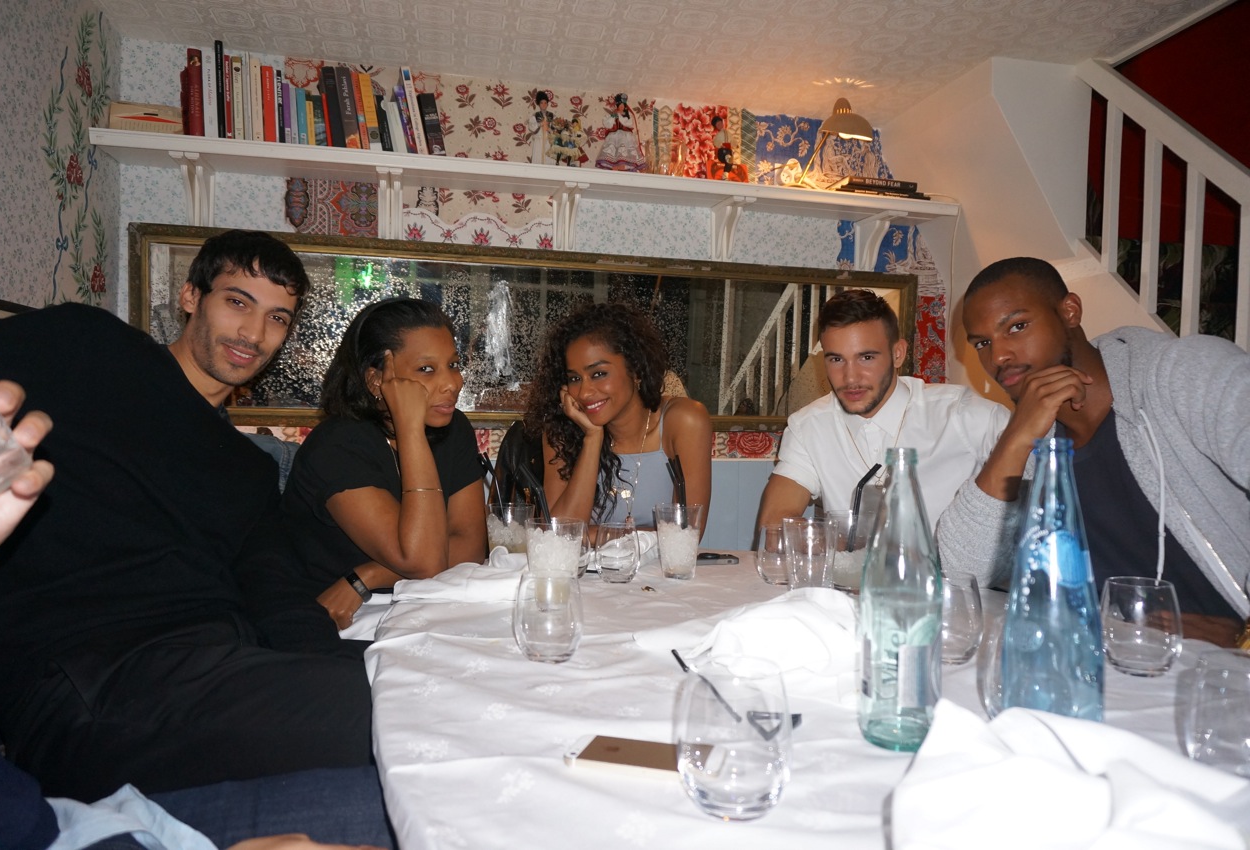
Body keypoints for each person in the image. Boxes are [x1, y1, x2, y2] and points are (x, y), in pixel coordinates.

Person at [0, 230, 377, 807]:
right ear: (190, 296)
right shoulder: (91, 346)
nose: (253, 334)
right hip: (89, 679)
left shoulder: (249, 470)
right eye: (237, 302)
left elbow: (279, 600)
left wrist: (371, 666)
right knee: (402, 713)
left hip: (212, 671)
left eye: (277, 318)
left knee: (428, 689)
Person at [938, 256, 1250, 645]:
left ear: (1070, 311)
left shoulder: (1185, 373)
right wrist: (1016, 437)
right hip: (1108, 660)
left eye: (1017, 326)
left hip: (1227, 666)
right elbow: (963, 572)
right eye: (983, 343)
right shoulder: (1034, 443)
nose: (998, 357)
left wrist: (1244, 635)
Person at [282, 298, 487, 631]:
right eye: (427, 369)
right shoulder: (337, 446)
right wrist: (410, 429)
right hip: (336, 624)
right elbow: (423, 560)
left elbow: (471, 547)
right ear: (377, 380)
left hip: (415, 604)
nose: (453, 382)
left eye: (453, 364)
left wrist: (369, 575)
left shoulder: (453, 430)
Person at [755, 289, 1009, 536]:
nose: (850, 377)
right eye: (836, 359)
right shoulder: (809, 426)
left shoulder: (963, 415)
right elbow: (774, 526)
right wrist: (841, 545)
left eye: (866, 358)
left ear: (898, 354)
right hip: (850, 567)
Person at [524, 302, 712, 533]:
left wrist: (598, 534)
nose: (584, 392)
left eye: (598, 374)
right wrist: (592, 438)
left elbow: (686, 534)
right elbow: (559, 535)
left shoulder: (684, 421)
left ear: (636, 369)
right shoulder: (561, 430)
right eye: (574, 379)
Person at [594, 93, 646, 172]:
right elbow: (607, 124)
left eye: (623, 105)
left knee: (625, 150)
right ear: (617, 105)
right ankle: (615, 166)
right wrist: (613, 116)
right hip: (614, 136)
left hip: (626, 136)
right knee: (614, 150)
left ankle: (624, 166)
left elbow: (629, 123)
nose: (622, 107)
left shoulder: (628, 115)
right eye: (620, 105)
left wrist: (619, 116)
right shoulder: (613, 114)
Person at [526, 90, 556, 165]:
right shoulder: (535, 115)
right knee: (538, 156)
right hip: (538, 140)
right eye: (541, 103)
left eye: (545, 103)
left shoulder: (552, 115)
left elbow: (555, 129)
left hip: (549, 140)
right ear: (539, 104)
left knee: (549, 157)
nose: (543, 105)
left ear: (547, 104)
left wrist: (549, 129)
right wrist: (540, 124)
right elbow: (532, 127)